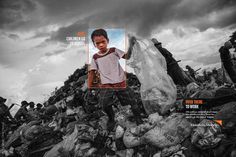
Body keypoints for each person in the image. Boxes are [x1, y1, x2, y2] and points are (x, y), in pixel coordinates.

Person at [88, 29, 143, 131]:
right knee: (104, 103)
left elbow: (127, 56)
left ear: (107, 40)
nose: (101, 45)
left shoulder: (114, 51)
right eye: (97, 43)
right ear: (94, 44)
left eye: (103, 42)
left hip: (120, 82)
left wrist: (131, 44)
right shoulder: (95, 57)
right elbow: (92, 72)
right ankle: (111, 118)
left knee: (132, 101)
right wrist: (90, 87)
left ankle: (138, 118)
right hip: (106, 85)